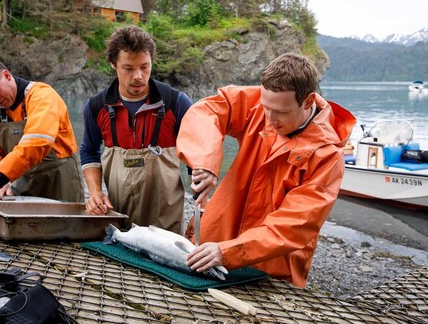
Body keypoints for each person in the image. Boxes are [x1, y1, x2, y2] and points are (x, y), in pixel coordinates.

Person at [177, 53, 356, 287]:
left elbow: (293, 226)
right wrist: (204, 162)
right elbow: (205, 111)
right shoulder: (261, 104)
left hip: (271, 269)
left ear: (309, 101)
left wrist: (229, 251)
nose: (269, 120)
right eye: (265, 108)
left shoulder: (327, 156)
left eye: (280, 112)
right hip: (216, 246)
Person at [79, 25, 193, 233]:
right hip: (118, 216)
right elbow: (88, 152)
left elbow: (196, 157)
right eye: (129, 68)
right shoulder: (96, 107)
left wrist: (200, 205)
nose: (139, 76)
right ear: (114, 64)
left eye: (145, 66)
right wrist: (95, 192)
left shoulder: (176, 103)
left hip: (166, 223)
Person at [0, 58, 85, 202]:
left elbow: (37, 143)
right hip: (20, 179)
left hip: (59, 180)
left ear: (6, 76)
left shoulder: (42, 96)